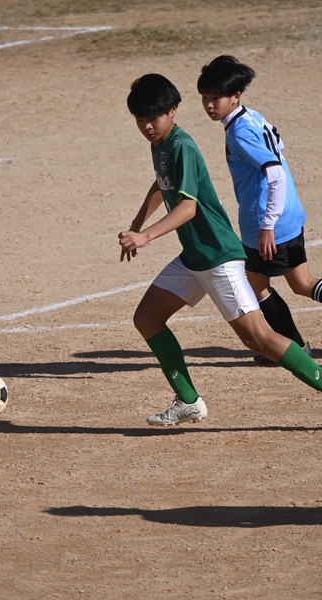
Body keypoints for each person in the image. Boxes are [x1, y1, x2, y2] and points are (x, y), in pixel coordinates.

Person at [118, 73, 322, 426]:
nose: (147, 126)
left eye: (153, 118)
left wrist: (146, 236)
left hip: (217, 258)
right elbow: (162, 182)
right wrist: (136, 222)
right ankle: (188, 401)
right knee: (147, 318)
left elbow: (188, 208)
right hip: (195, 256)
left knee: (259, 338)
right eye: (140, 120)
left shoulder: (182, 145)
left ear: (173, 111)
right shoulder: (162, 145)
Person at [197, 55, 319, 365]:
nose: (209, 105)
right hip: (291, 214)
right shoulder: (253, 117)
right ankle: (295, 346)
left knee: (255, 282)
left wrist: (267, 225)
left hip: (269, 223)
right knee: (302, 284)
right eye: (206, 97)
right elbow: (279, 150)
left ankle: (292, 348)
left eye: (216, 98)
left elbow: (274, 172)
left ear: (235, 96)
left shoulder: (239, 132)